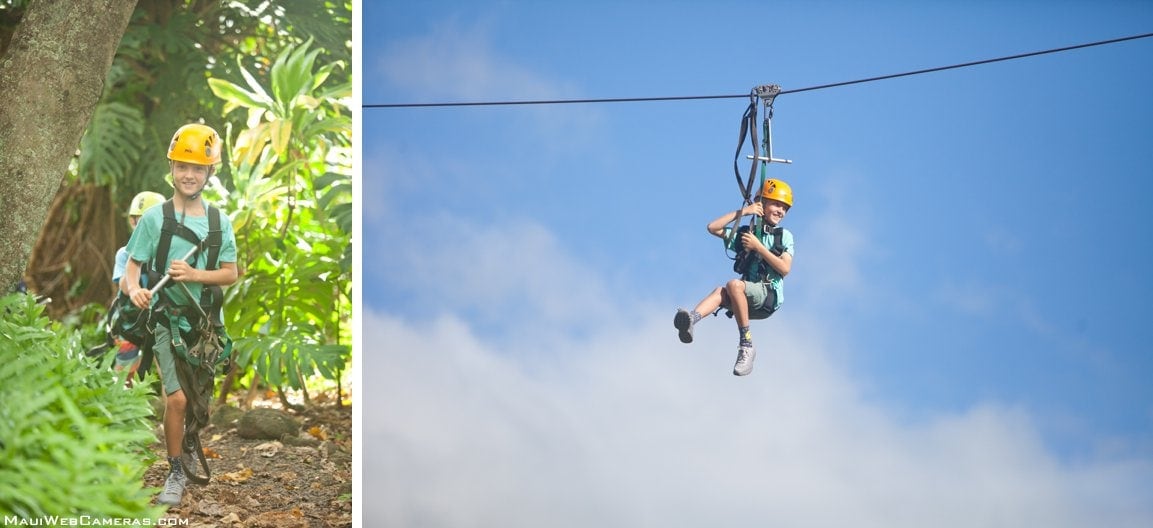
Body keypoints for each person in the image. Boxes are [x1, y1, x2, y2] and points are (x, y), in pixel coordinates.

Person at [121, 123, 238, 507]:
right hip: (166, 319)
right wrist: (135, 290)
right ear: (171, 168)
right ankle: (174, 470)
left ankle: (187, 443)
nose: (190, 175)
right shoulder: (155, 219)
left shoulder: (219, 222)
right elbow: (132, 269)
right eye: (183, 167)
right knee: (177, 400)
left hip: (203, 324)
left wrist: (194, 274)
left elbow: (229, 273)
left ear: (209, 173)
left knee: (197, 401)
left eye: (199, 169)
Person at [674, 178, 795, 376]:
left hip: (768, 295)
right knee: (720, 292)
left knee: (734, 285)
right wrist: (744, 212)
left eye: (784, 208)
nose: (780, 211)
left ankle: (746, 344)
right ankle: (691, 321)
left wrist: (758, 247)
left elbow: (785, 268)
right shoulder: (746, 234)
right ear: (761, 203)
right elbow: (713, 227)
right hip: (746, 299)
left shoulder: (784, 236)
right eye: (776, 204)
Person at [110, 191, 166, 384]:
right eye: (137, 222)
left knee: (168, 375)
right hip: (130, 323)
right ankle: (122, 410)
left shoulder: (168, 254)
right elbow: (125, 288)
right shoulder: (124, 254)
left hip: (160, 321)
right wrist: (136, 257)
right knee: (125, 373)